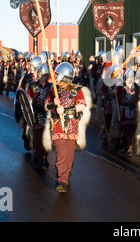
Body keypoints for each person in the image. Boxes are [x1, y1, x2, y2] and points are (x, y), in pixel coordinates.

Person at [43, 62, 91, 193]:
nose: (56, 78)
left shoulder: (77, 90)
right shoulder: (53, 89)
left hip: (71, 125)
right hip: (57, 125)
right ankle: (62, 181)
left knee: (69, 155)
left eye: (58, 75)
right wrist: (53, 104)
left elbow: (82, 105)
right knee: (60, 154)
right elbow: (46, 106)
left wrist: (65, 109)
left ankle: (66, 174)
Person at [26, 63, 52, 169]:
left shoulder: (51, 87)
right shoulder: (33, 86)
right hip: (37, 115)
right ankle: (38, 159)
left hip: (48, 115)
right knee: (37, 139)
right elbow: (27, 99)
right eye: (41, 75)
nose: (42, 77)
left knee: (47, 139)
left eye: (44, 75)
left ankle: (45, 158)